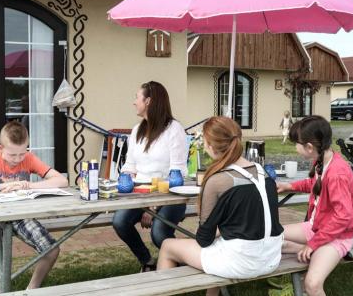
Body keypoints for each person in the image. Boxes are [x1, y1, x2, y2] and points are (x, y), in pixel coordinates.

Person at [157, 116, 284, 296]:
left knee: (168, 245)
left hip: (240, 262)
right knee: (220, 242)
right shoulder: (262, 172)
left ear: (209, 146)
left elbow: (204, 238)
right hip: (271, 257)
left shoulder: (217, 180)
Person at [0, 121, 67, 292]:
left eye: (22, 153)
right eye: (12, 155)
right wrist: (0, 186)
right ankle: (0, 293)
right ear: (0, 147)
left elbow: (62, 181)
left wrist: (29, 185)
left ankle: (31, 290)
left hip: (21, 214)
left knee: (52, 250)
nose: (18, 159)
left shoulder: (29, 158)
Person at [276, 116, 353, 296]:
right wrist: (289, 186)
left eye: (296, 143)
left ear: (309, 147)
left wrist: (314, 243)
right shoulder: (323, 159)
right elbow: (315, 183)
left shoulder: (337, 173)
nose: (295, 148)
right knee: (272, 236)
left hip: (337, 236)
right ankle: (315, 253)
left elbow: (343, 217)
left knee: (312, 284)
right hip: (317, 228)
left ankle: (319, 252)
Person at [112, 81, 189, 272]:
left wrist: (153, 207)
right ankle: (147, 261)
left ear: (149, 101)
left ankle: (187, 262)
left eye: (137, 97)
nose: (133, 102)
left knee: (159, 233)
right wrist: (122, 189)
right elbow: (129, 166)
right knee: (119, 221)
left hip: (171, 196)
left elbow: (177, 173)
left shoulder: (174, 129)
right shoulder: (137, 130)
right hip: (140, 194)